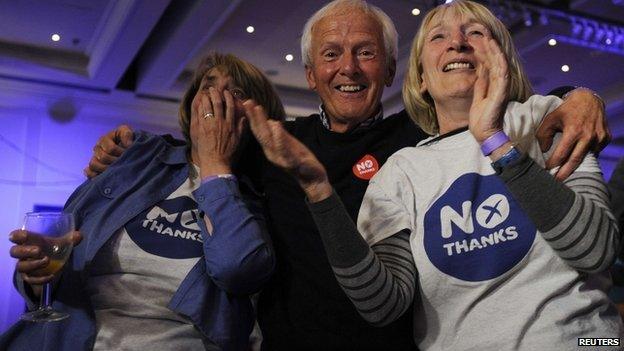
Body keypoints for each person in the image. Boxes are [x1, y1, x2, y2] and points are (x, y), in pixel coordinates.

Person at [84, 1, 611, 349]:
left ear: (390, 69)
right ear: (311, 74)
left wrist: (579, 96)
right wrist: (133, 152)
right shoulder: (277, 145)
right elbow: (202, 150)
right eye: (331, 55)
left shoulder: (418, 137)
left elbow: (490, 109)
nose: (349, 69)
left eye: (365, 54)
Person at [243, 0, 623, 349]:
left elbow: (595, 251)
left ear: (502, 55)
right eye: (439, 37)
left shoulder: (550, 120)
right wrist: (317, 188)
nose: (457, 43)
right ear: (421, 75)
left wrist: (501, 137)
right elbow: (382, 303)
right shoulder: (400, 168)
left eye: (475, 32)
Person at [2, 53, 283, 351]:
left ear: (256, 121)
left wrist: (215, 164)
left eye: (236, 93)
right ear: (191, 102)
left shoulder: (262, 197)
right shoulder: (138, 159)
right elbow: (49, 268)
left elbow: (236, 270)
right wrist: (39, 273)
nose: (216, 96)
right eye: (208, 86)